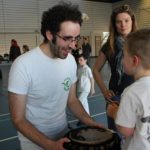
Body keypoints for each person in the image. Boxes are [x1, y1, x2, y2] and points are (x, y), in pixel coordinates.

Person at [8, 2, 101, 150]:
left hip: (63, 134)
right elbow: (18, 119)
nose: (73, 45)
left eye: (76, 38)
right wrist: (50, 145)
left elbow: (72, 101)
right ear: (49, 34)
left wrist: (90, 122)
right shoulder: (22, 65)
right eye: (67, 38)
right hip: (34, 143)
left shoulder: (70, 60)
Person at [93, 4, 137, 131]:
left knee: (136, 134)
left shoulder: (140, 43)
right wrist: (104, 91)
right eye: (118, 22)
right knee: (115, 134)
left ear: (132, 21)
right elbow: (95, 69)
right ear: (114, 24)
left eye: (126, 20)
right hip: (116, 97)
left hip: (136, 95)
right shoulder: (109, 45)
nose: (123, 25)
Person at [107, 29, 150, 150]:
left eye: (124, 56)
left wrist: (115, 113)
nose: (121, 60)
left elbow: (126, 131)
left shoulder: (131, 92)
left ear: (134, 60)